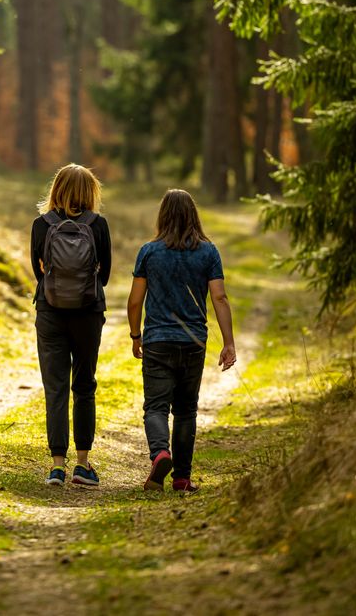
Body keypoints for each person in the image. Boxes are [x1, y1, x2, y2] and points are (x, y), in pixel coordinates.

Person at [127, 188, 236, 492]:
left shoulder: (149, 252)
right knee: (186, 410)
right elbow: (220, 297)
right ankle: (182, 478)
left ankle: (160, 453)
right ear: (194, 215)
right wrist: (229, 343)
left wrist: (136, 335)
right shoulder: (208, 252)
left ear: (162, 215)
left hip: (158, 340)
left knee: (156, 407)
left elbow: (135, 301)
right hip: (193, 342)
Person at [30, 163, 111, 487]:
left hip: (50, 311)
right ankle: (83, 465)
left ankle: (56, 466)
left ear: (56, 189)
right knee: (84, 385)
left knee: (56, 388)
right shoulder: (98, 224)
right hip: (88, 312)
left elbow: (38, 272)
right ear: (91, 192)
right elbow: (104, 275)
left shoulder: (41, 224)